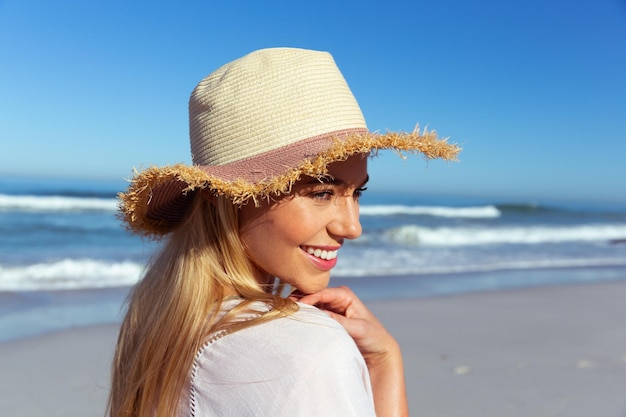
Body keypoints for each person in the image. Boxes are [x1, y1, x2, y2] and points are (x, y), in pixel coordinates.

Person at [109, 47, 460, 417]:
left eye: (357, 192)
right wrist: (386, 362)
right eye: (322, 193)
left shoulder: (162, 319)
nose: (352, 227)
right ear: (223, 198)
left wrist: (385, 358)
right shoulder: (308, 351)